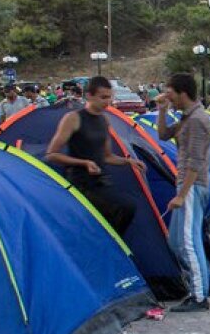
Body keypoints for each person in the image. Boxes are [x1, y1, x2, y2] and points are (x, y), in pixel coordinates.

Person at [45, 76, 145, 235]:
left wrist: (129, 161)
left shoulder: (104, 120)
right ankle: (107, 243)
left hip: (101, 180)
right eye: (103, 97)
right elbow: (51, 154)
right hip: (80, 182)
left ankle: (109, 242)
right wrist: (84, 163)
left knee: (128, 208)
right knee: (125, 206)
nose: (107, 101)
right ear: (89, 96)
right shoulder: (73, 118)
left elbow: (107, 156)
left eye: (109, 97)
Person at [156, 73, 210, 313]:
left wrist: (182, 194)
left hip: (192, 185)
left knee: (188, 243)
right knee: (177, 240)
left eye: (170, 94)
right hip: (185, 186)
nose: (169, 99)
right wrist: (161, 110)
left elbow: (196, 162)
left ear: (183, 93)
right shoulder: (185, 119)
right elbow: (162, 135)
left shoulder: (197, 120)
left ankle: (199, 297)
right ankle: (197, 288)